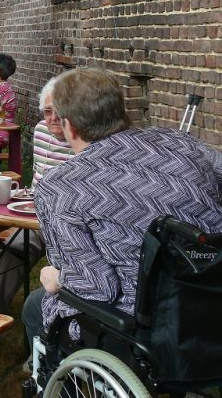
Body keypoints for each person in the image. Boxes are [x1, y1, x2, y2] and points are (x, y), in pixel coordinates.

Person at [22, 68, 222, 348]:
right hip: (209, 299)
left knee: (34, 307)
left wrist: (57, 278)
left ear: (70, 126)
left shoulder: (59, 188)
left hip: (142, 327)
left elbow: (97, 288)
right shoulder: (182, 142)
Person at [0, 78, 74, 314]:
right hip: (35, 218)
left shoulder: (82, 138)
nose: (52, 118)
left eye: (59, 112)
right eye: (47, 111)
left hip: (69, 224)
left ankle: (58, 315)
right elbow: (38, 178)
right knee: (16, 248)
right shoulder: (41, 131)